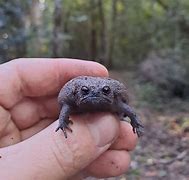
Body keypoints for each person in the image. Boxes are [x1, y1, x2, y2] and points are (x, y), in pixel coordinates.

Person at [0, 58, 138, 179]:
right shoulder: (71, 97)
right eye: (85, 91)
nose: (95, 93)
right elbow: (65, 106)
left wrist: (135, 122)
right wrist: (62, 122)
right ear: (78, 92)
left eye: (105, 91)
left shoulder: (115, 100)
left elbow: (128, 110)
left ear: (111, 92)